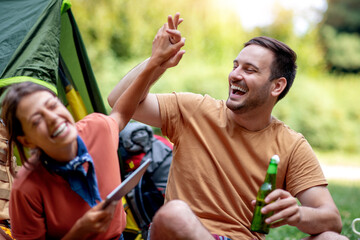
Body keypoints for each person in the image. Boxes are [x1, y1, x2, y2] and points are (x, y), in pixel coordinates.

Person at [107, 13, 349, 240]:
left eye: (249, 69)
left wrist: (298, 214)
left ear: (277, 86)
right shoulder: (194, 109)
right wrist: (155, 62)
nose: (234, 75)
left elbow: (331, 219)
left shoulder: (291, 145)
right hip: (182, 233)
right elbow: (119, 102)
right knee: (174, 214)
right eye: (235, 66)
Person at [0, 21, 185, 239]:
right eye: (36, 120)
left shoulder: (96, 130)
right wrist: (79, 232)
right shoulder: (27, 188)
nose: (52, 118)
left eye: (52, 106)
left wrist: (155, 63)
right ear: (26, 140)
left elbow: (121, 113)